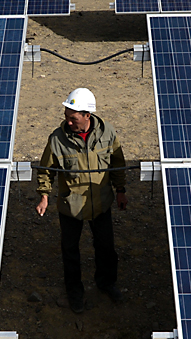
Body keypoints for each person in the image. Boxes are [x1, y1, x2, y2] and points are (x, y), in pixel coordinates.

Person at [36, 88, 127, 313]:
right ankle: (74, 292)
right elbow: (46, 170)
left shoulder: (108, 134)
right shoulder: (57, 139)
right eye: (67, 116)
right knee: (70, 251)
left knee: (106, 247)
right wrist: (44, 195)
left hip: (101, 203)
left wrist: (121, 190)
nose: (68, 122)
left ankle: (106, 283)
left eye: (73, 118)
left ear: (88, 116)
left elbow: (118, 163)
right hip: (70, 207)